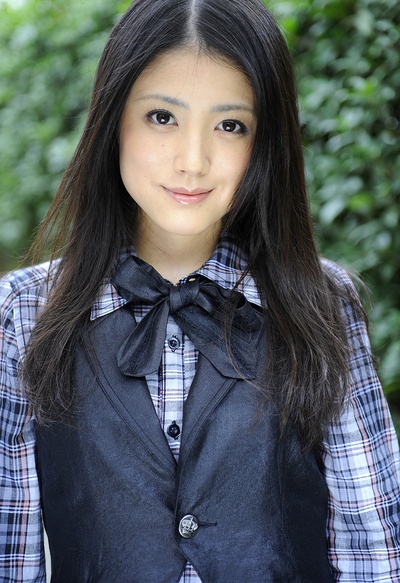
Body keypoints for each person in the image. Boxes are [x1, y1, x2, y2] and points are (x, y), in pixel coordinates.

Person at [0, 0, 399, 581]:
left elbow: (376, 549)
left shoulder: (322, 305)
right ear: (113, 120)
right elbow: (10, 554)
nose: (193, 161)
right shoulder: (25, 312)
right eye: (162, 116)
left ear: (265, 144)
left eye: (230, 125)